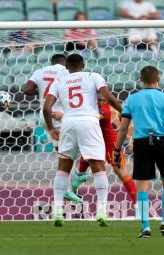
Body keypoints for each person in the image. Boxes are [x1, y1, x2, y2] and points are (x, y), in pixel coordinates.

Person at [43, 53, 122, 227]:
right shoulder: (93, 76)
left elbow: (47, 108)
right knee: (98, 166)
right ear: (83, 65)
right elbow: (108, 98)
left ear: (66, 68)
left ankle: (57, 211)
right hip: (89, 122)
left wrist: (50, 128)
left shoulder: (59, 82)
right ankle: (101, 211)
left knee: (63, 167)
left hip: (68, 123)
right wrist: (123, 112)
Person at [113, 66, 164, 238]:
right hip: (163, 142)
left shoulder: (132, 99)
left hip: (141, 143)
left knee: (143, 185)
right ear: (158, 79)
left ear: (140, 80)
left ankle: (145, 226)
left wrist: (117, 149)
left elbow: (123, 127)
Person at [23, 54, 81, 203]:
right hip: (60, 116)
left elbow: (26, 89)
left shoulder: (40, 71)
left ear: (51, 61)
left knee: (63, 153)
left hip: (45, 116)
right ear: (65, 63)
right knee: (71, 153)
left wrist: (41, 92)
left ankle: (71, 185)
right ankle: (72, 184)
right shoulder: (66, 71)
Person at [71, 94, 137, 206]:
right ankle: (73, 195)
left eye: (104, 100)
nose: (101, 102)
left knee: (120, 171)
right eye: (99, 100)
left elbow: (96, 117)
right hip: (94, 142)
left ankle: (137, 203)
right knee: (81, 167)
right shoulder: (89, 107)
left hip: (109, 143)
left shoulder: (105, 110)